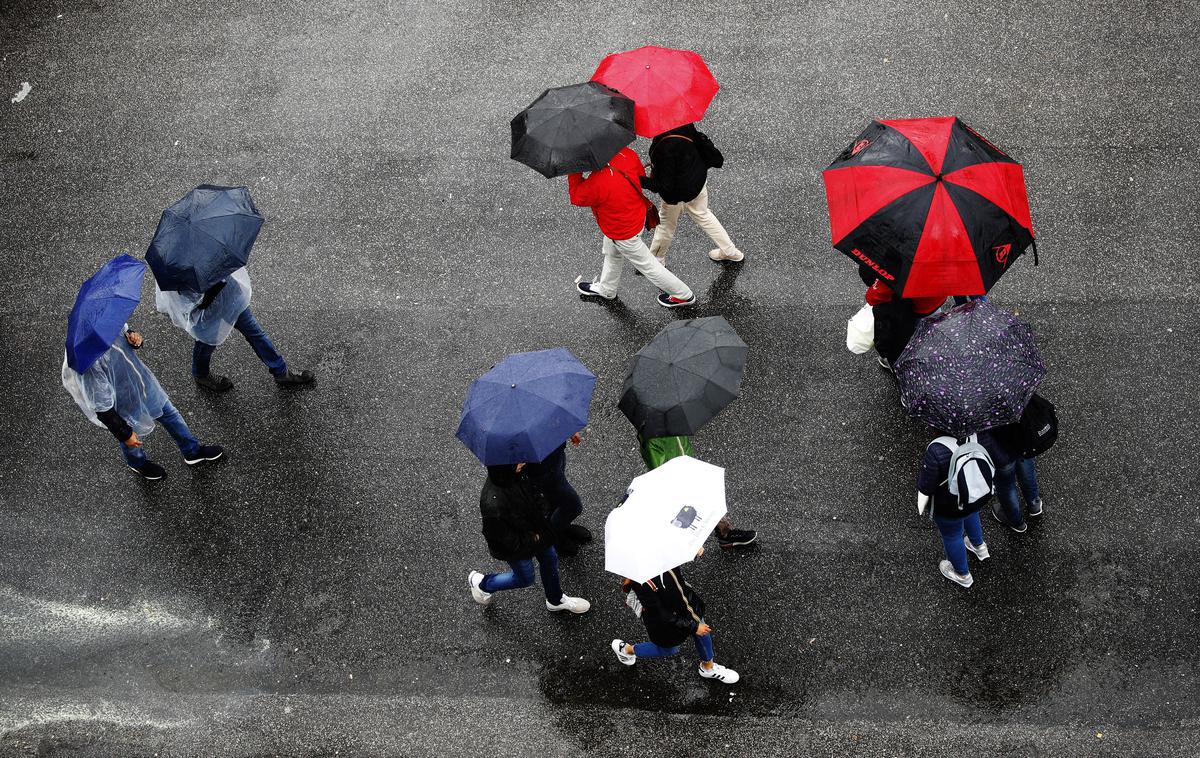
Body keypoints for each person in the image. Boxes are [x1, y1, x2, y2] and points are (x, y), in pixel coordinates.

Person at [61, 324, 224, 480]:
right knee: (132, 437)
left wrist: (134, 339)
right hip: (124, 402)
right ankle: (137, 463)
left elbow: (127, 334)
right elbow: (103, 408)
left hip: (144, 385)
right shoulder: (88, 364)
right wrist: (125, 435)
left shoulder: (109, 324)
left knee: (170, 414)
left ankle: (192, 450)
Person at [569, 147, 696, 308]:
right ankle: (607, 289)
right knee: (611, 251)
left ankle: (683, 295)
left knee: (648, 266)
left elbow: (576, 196)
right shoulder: (626, 153)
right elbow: (640, 177)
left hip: (621, 230)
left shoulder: (597, 181)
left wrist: (574, 170)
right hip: (635, 217)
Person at [154, 267, 314, 391]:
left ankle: (281, 371)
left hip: (230, 295)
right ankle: (200, 374)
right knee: (206, 343)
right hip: (209, 312)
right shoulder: (171, 267)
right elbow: (183, 302)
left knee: (256, 333)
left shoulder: (204, 241)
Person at [468, 463, 590, 613]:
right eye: (517, 462)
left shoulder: (517, 474)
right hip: (519, 548)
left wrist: (543, 513)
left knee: (550, 560)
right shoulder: (493, 504)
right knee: (525, 578)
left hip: (537, 532)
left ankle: (555, 600)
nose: (523, 462)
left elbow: (536, 496)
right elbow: (504, 540)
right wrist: (534, 538)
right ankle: (483, 585)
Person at [610, 551, 739, 684]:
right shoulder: (641, 581)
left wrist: (692, 550)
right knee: (668, 649)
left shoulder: (661, 553)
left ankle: (708, 668)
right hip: (666, 625)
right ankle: (627, 650)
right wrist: (693, 627)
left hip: (687, 607)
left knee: (703, 632)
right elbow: (661, 615)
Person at [640, 123, 743, 264]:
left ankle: (656, 260)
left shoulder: (664, 148)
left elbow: (664, 186)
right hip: (697, 182)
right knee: (703, 214)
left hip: (677, 195)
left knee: (665, 225)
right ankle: (730, 251)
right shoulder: (683, 122)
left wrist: (640, 180)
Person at [638, 433, 757, 549]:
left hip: (689, 465)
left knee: (706, 497)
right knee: (683, 508)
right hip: (674, 476)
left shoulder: (672, 421)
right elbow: (658, 470)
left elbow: (682, 444)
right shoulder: (651, 436)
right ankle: (682, 547)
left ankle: (724, 532)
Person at [916, 433, 998, 588]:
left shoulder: (937, 449)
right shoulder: (980, 435)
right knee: (972, 514)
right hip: (974, 495)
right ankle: (979, 546)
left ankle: (962, 574)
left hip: (948, 505)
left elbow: (926, 485)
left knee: (952, 536)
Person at [523, 432, 592, 557]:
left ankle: (561, 526)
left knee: (555, 500)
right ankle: (555, 535)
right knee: (573, 506)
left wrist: (567, 430)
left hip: (555, 452)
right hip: (540, 468)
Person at [867, 279, 945, 371]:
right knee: (929, 333)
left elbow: (875, 296)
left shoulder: (905, 268)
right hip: (937, 300)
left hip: (917, 306)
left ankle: (900, 365)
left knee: (904, 338)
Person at [984, 425, 1044, 533]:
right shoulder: (1014, 407)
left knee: (1005, 484)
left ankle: (1016, 520)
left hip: (999, 446)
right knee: (1025, 461)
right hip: (1020, 434)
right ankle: (1034, 503)